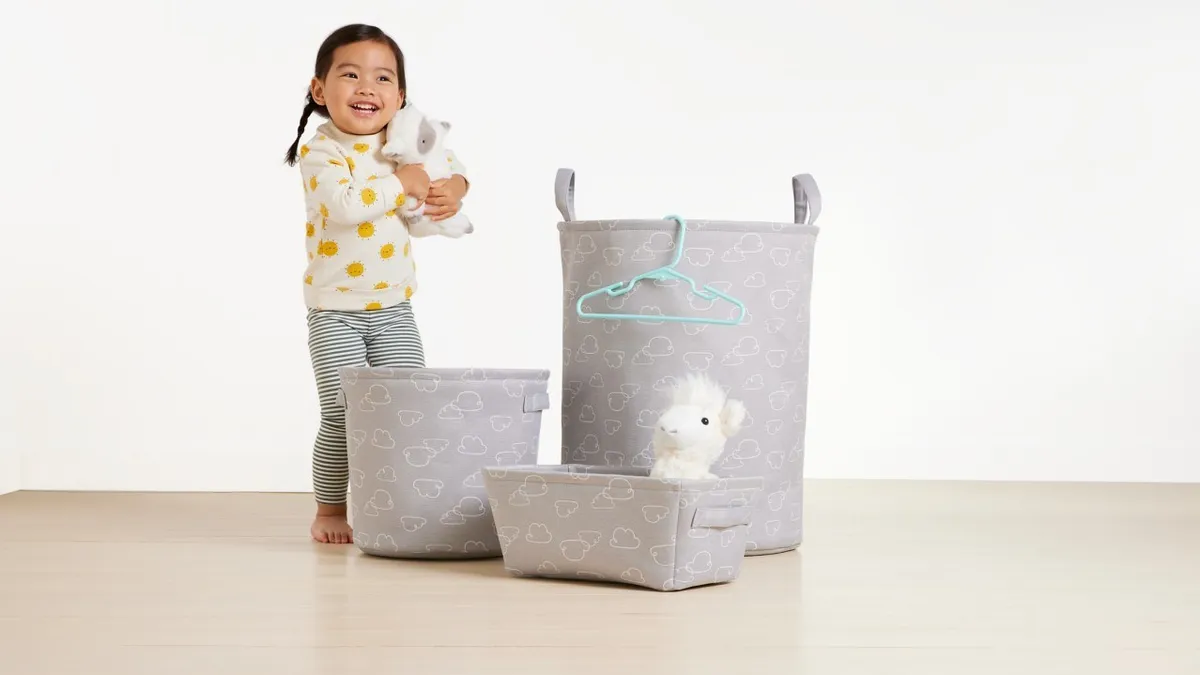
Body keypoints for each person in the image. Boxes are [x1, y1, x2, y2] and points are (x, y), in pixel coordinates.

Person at [284, 23, 470, 543]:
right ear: (320, 91)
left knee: (407, 407)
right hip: (335, 310)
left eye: (382, 77)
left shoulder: (405, 138)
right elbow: (344, 207)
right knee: (344, 415)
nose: (367, 87)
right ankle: (330, 509)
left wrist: (452, 188)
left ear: (401, 95)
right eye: (350, 74)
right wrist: (399, 184)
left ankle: (403, 502)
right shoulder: (321, 151)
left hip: (394, 308)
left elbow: (450, 168)